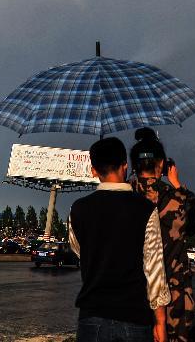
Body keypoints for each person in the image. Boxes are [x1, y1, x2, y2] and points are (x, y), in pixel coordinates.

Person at [68, 137, 171, 342]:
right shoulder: (145, 209)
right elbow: (154, 268)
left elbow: (79, 249)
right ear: (125, 166)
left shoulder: (77, 209)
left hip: (92, 318)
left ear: (94, 170)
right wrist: (160, 321)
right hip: (135, 317)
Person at [130, 128, 195, 342]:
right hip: (175, 299)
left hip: (134, 295)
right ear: (163, 164)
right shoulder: (178, 199)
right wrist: (177, 184)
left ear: (133, 165)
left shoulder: (124, 197)